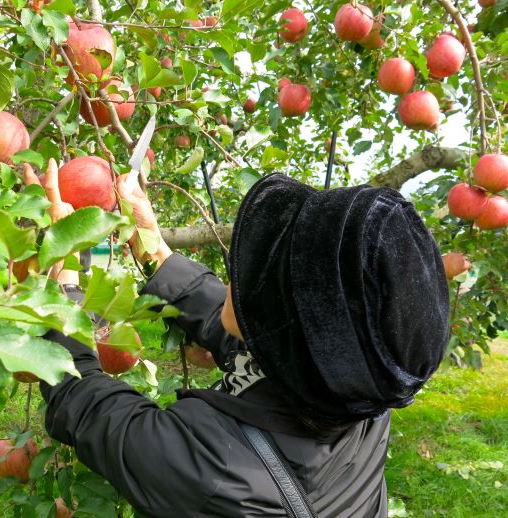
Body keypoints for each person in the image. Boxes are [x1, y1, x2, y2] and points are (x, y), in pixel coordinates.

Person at [30, 160, 449, 517]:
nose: (239, 272)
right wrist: (151, 245)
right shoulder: (361, 386)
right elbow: (251, 334)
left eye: (261, 275)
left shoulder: (214, 470)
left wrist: (62, 285)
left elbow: (84, 404)